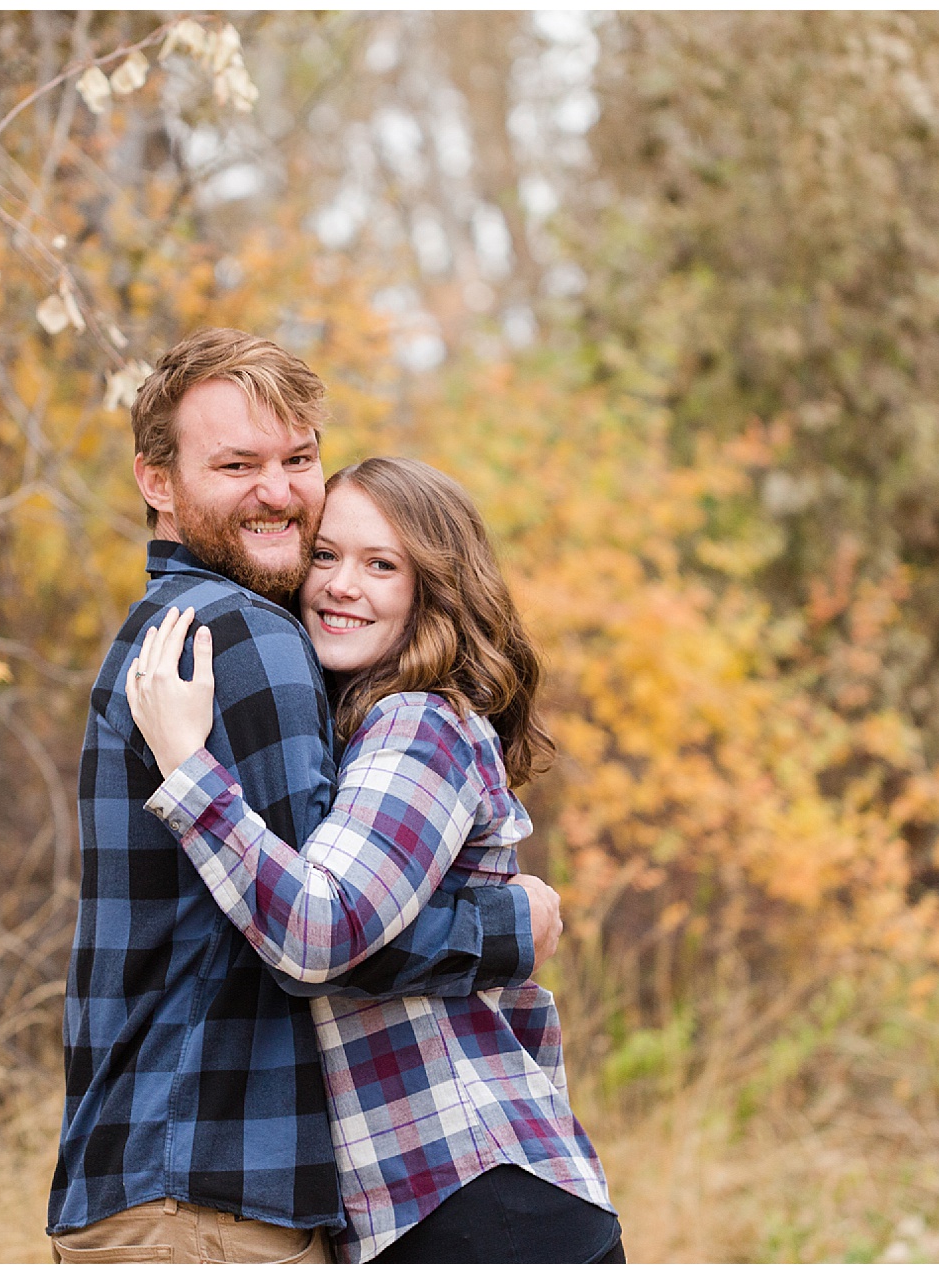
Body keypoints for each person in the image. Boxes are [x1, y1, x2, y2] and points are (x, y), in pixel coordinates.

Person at [48, 330, 563, 1264]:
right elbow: (320, 939)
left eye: (298, 459)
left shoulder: (169, 629)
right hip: (211, 1197)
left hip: (160, 1183)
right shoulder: (246, 639)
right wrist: (508, 929)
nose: (279, 492)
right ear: (156, 482)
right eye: (237, 464)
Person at [126, 456, 620, 1263]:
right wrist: (506, 925)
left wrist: (188, 771)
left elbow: (321, 933)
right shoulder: (353, 735)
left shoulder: (419, 725)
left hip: (476, 1195)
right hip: (429, 1205)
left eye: (380, 565)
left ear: (434, 591)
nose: (340, 585)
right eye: (326, 555)